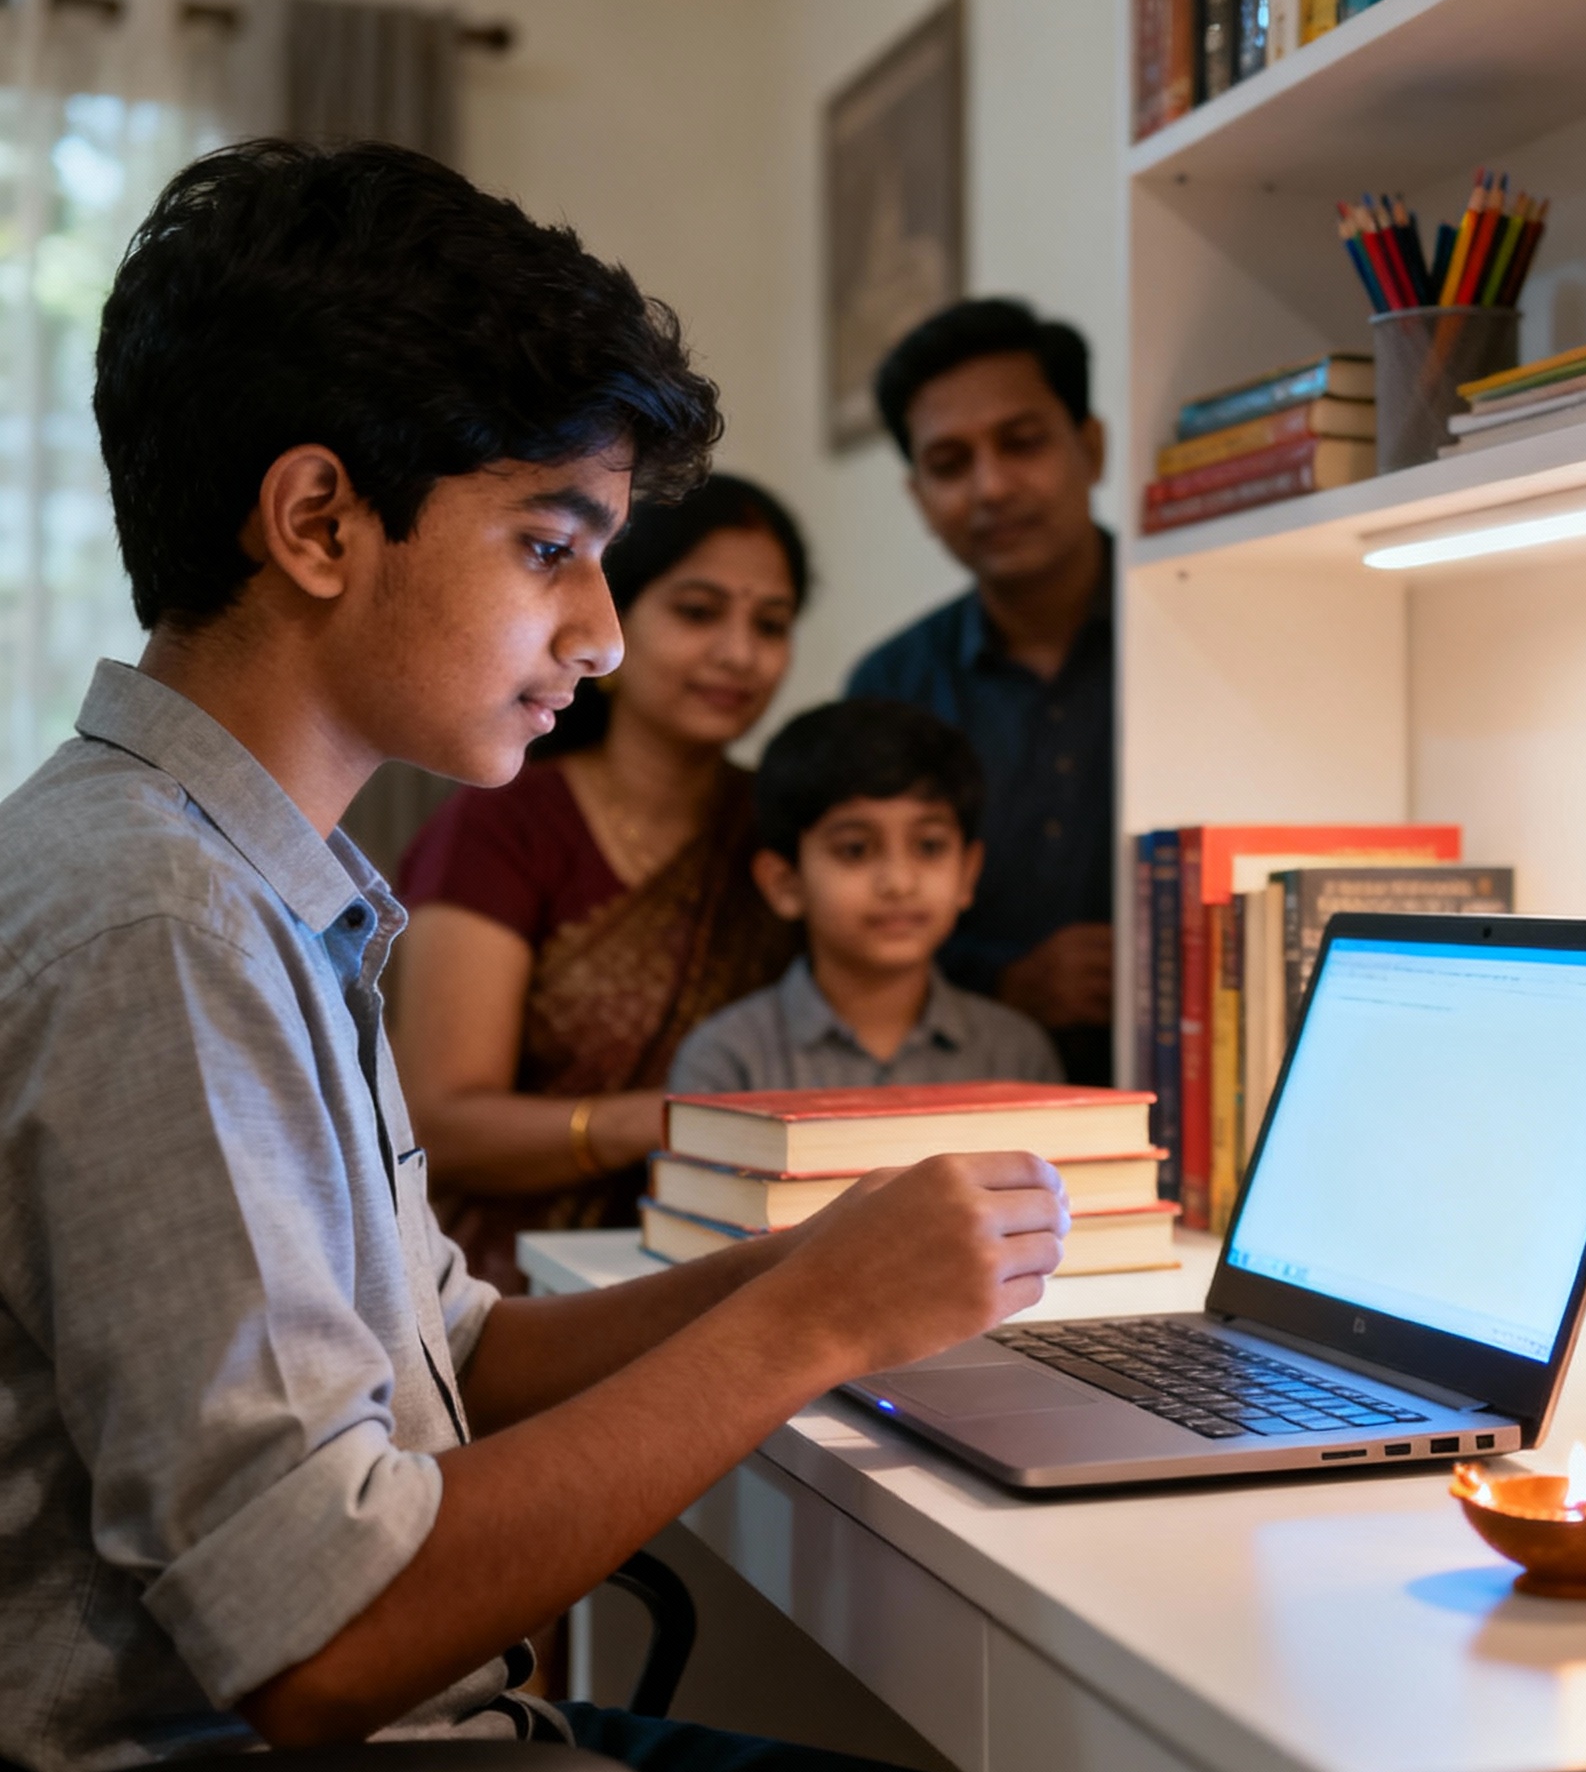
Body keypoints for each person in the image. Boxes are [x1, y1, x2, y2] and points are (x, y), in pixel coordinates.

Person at [0, 139, 1066, 1772]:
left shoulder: (261, 881)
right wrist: (804, 1332)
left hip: (432, 1754)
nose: (604, 631)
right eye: (552, 543)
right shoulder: (152, 920)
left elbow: (463, 1358)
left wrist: (812, 1265)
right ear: (319, 520)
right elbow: (319, 1645)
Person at [393, 474, 803, 1293]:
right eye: (697, 611)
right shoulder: (504, 825)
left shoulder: (781, 831)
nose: (739, 653)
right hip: (510, 1288)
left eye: (771, 624)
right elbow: (437, 1118)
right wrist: (656, 1122)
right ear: (615, 618)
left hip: (733, 1268)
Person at [850, 298, 1114, 1085]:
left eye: (1023, 442)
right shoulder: (891, 686)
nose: (991, 486)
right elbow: (849, 918)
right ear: (920, 498)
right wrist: (1006, 982)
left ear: (1091, 448)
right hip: (960, 1100)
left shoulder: (1194, 630)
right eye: (950, 463)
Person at [671, 699, 1062, 1093]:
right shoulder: (727, 1059)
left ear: (967, 873)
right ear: (785, 884)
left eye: (929, 846)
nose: (898, 883)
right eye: (855, 849)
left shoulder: (1016, 1057)